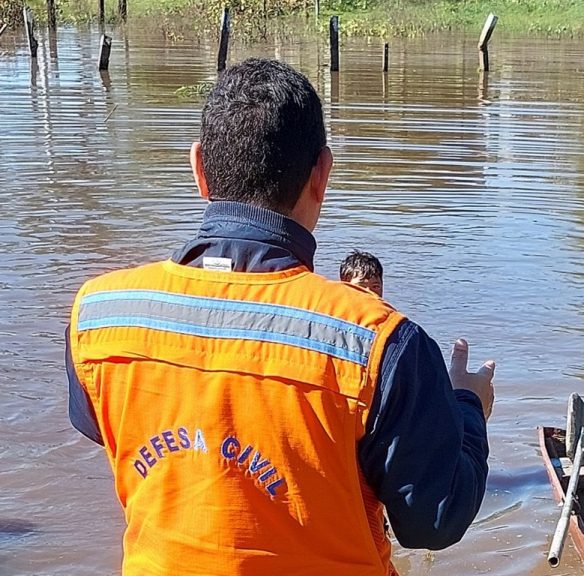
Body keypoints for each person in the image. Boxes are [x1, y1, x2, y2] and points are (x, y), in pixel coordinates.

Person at [65, 58, 496, 576]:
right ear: (322, 173)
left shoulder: (98, 315)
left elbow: (117, 432)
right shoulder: (380, 342)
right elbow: (433, 522)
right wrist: (468, 407)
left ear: (199, 169)